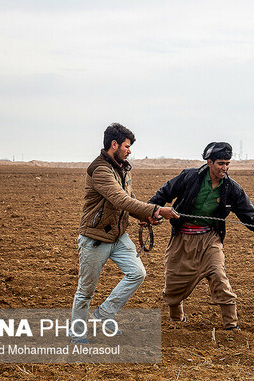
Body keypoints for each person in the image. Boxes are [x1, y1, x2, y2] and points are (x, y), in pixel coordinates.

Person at [149, 142, 254, 330]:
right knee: (174, 281)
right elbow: (164, 193)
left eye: (227, 163)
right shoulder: (189, 177)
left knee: (218, 274)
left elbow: (250, 216)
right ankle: (176, 322)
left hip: (210, 239)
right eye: (221, 163)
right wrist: (150, 213)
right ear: (209, 162)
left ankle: (231, 326)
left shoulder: (232, 188)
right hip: (182, 238)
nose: (225, 168)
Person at [71, 123, 178, 343]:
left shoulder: (122, 168)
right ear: (114, 145)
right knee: (85, 291)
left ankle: (104, 315)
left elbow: (128, 198)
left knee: (137, 273)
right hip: (95, 238)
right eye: (127, 146)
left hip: (118, 236)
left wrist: (143, 217)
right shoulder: (100, 170)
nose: (129, 151)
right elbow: (120, 199)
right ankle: (77, 333)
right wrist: (157, 209)